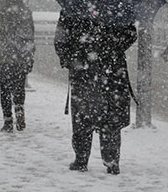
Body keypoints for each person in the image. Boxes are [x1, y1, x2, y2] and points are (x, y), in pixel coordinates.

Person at [54, 10, 136, 175]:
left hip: (83, 70)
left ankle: (81, 159)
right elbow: (131, 35)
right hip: (112, 71)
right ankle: (111, 160)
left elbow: (61, 40)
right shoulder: (117, 5)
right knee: (111, 117)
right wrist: (112, 47)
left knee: (82, 117)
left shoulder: (73, 7)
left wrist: (71, 58)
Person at [0, 0, 35, 132]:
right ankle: (19, 108)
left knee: (5, 88)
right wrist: (29, 54)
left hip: (5, 54)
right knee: (19, 86)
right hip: (20, 54)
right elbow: (30, 35)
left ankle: (8, 120)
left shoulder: (0, 11)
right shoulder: (25, 12)